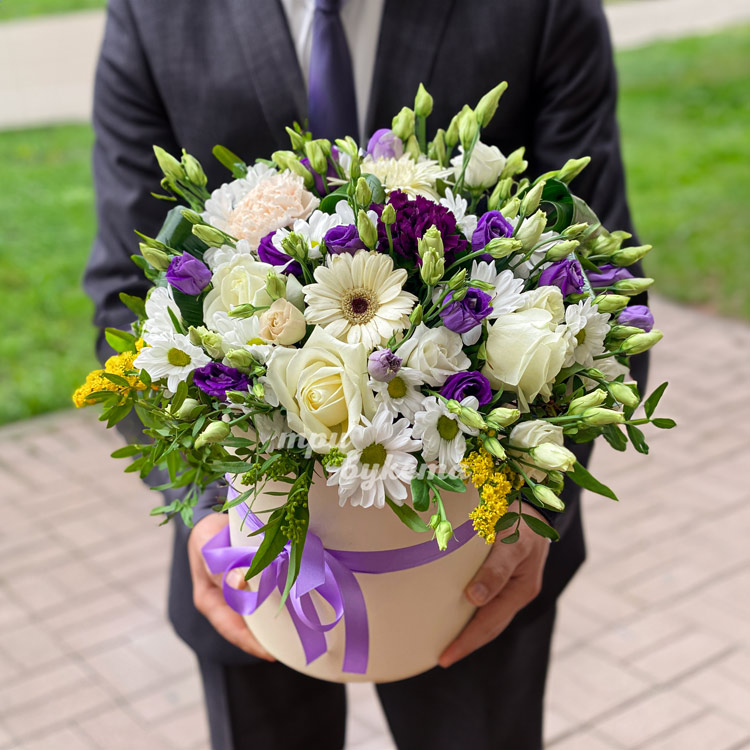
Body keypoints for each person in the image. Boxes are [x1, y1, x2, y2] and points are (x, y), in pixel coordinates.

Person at [84, 1, 647, 748]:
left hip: (479, 561)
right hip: (252, 560)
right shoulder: (153, 13)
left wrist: (531, 513)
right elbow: (123, 291)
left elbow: (603, 280)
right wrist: (216, 512)